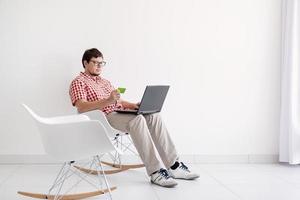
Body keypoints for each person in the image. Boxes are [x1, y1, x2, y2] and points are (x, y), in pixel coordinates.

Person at [69, 48, 199, 187]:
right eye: (95, 62)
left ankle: (174, 165)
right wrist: (108, 101)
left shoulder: (104, 82)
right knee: (137, 120)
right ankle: (155, 171)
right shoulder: (79, 81)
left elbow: (118, 101)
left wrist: (133, 106)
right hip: (103, 118)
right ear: (85, 63)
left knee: (153, 115)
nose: (99, 66)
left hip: (118, 112)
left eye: (102, 63)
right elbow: (81, 106)